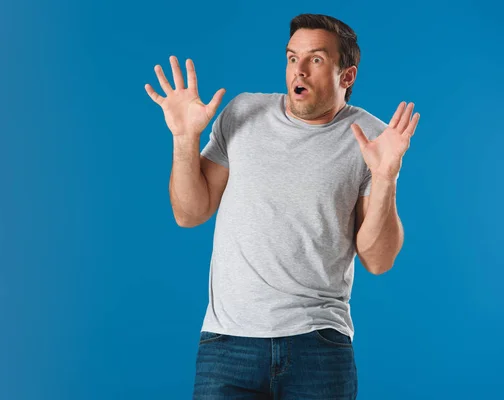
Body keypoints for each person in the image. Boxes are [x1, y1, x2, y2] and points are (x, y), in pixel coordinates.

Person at [145, 13, 419, 400]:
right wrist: (184, 138)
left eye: (316, 60)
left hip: (319, 344)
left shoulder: (372, 138)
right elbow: (190, 213)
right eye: (292, 58)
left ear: (348, 75)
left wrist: (386, 178)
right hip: (228, 343)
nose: (299, 71)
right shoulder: (243, 113)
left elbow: (378, 259)